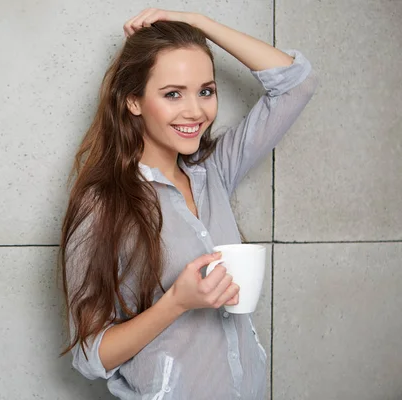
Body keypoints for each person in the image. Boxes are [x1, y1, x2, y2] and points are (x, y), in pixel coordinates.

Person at [59, 8, 317, 400]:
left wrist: (200, 27)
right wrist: (177, 303)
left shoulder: (213, 172)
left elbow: (297, 85)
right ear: (133, 101)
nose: (195, 111)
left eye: (206, 91)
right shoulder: (103, 204)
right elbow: (89, 354)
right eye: (172, 94)